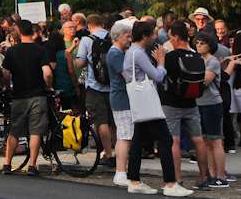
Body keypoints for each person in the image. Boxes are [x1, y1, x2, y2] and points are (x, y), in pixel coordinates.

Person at [123, 20, 192, 196]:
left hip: (139, 102)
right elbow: (157, 76)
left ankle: (134, 180)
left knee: (138, 141)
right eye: (152, 34)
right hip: (148, 103)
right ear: (145, 36)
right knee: (165, 140)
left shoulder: (131, 52)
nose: (155, 37)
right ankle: (170, 183)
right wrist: (160, 62)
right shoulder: (138, 53)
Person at [160, 21, 208, 190]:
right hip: (192, 103)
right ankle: (203, 177)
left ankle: (177, 178)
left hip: (171, 103)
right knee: (199, 140)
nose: (169, 40)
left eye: (170, 37)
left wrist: (160, 60)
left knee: (174, 140)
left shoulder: (170, 57)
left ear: (175, 36)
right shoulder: (197, 56)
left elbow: (161, 77)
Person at [1, 19, 53, 175]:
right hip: (38, 95)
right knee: (36, 131)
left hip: (19, 95)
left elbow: (5, 73)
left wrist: (8, 84)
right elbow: (48, 72)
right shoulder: (40, 50)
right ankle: (32, 165)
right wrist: (48, 85)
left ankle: (7, 164)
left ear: (19, 32)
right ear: (33, 32)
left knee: (15, 130)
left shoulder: (11, 51)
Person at [195, 33, 236, 189]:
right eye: (197, 42)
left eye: (202, 43)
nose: (199, 45)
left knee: (216, 140)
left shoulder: (212, 61)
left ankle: (221, 176)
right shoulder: (198, 60)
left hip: (212, 103)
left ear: (209, 45)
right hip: (199, 103)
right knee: (205, 142)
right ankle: (211, 174)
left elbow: (205, 81)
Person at [76, 14, 115, 167]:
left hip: (95, 86)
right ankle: (118, 151)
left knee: (101, 121)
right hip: (113, 86)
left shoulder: (86, 40)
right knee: (113, 122)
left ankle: (108, 153)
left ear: (89, 26)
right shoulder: (112, 38)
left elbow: (79, 63)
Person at [107, 20, 135, 187]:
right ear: (118, 36)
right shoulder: (116, 54)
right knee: (125, 136)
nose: (130, 39)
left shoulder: (116, 52)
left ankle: (121, 170)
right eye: (127, 36)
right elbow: (127, 76)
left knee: (123, 135)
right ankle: (120, 172)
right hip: (122, 98)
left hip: (120, 98)